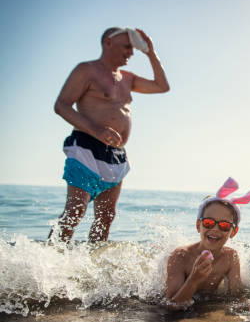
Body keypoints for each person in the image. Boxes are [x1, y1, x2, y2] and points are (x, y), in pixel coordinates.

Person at [50, 27, 170, 243]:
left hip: (116, 154)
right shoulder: (87, 70)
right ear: (108, 42)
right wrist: (96, 130)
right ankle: (50, 260)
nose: (131, 53)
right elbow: (61, 105)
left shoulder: (127, 78)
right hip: (86, 147)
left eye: (133, 48)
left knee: (106, 217)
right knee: (75, 213)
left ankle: (94, 268)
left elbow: (162, 86)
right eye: (126, 46)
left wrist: (150, 52)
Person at [165, 178, 250, 310]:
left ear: (233, 232)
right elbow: (171, 304)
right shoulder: (181, 256)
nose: (215, 229)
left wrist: (249, 302)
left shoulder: (230, 256)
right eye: (209, 223)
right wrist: (193, 279)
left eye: (224, 225)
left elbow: (235, 294)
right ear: (198, 225)